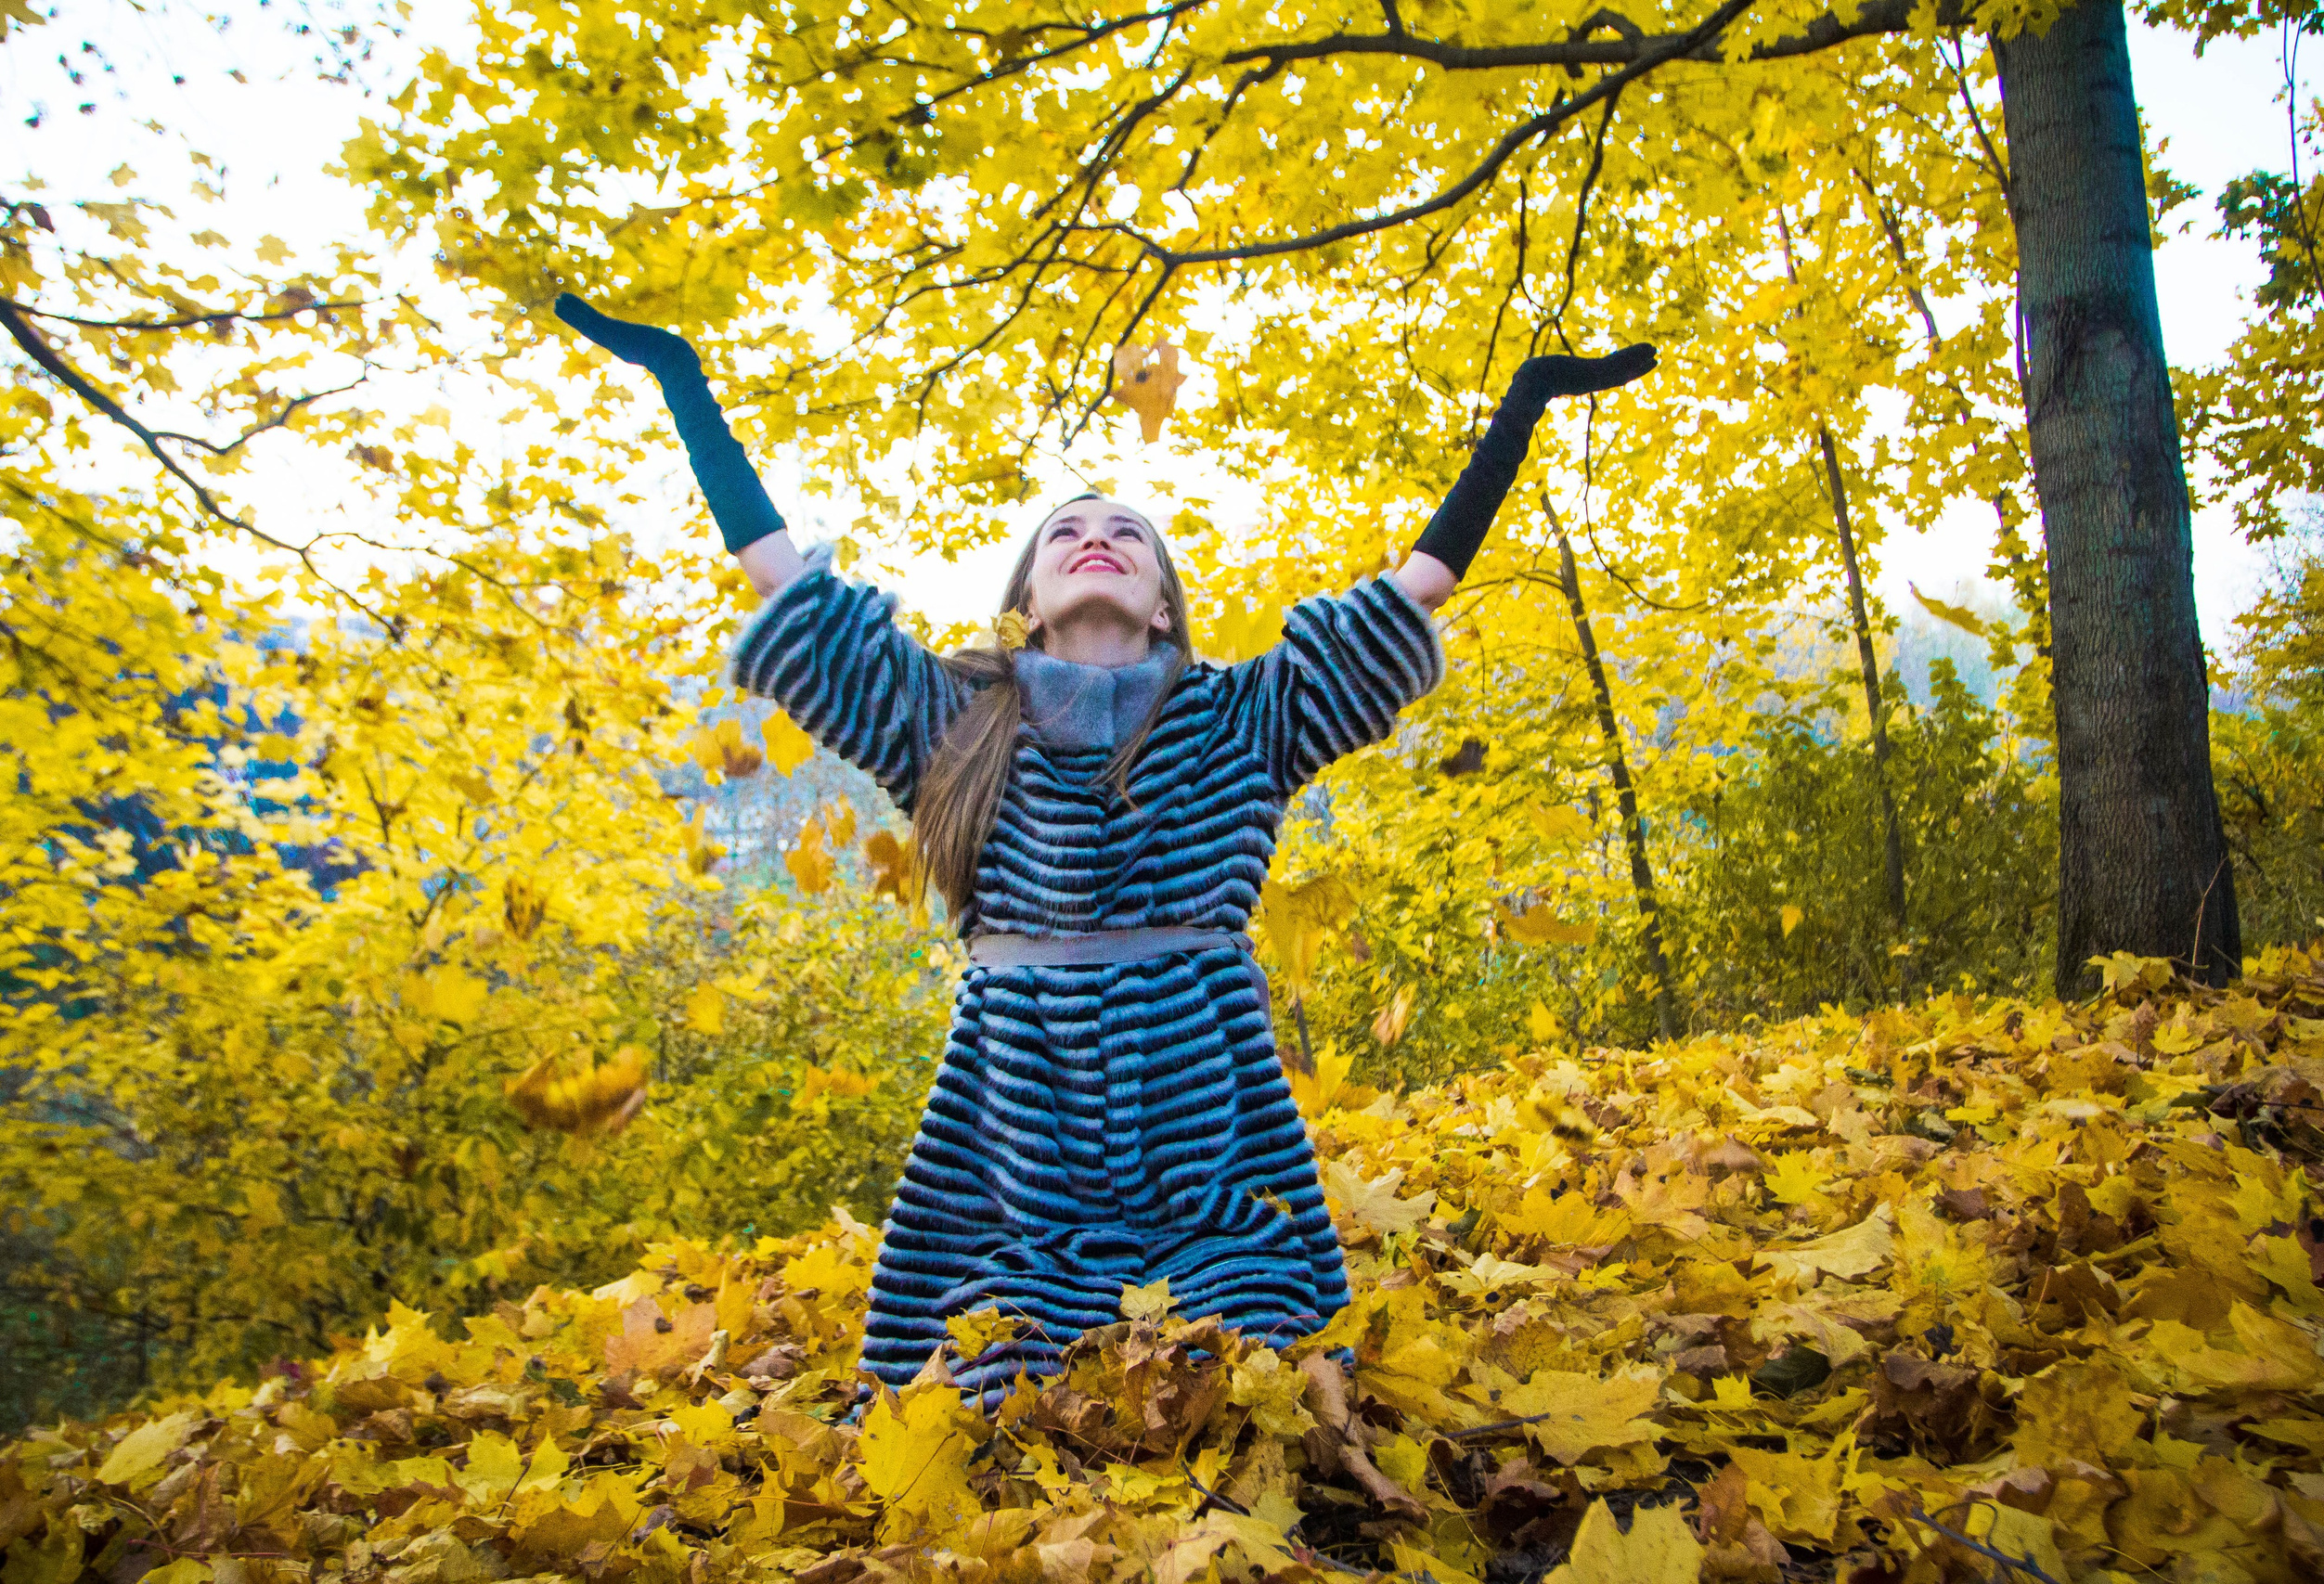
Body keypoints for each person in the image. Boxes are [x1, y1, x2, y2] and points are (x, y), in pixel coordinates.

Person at [556, 294, 1655, 1405]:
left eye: (1129, 534)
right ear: (1027, 604)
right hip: (1016, 1113)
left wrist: (1519, 411)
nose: (1097, 537)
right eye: (1066, 535)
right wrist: (685, 380)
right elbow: (789, 583)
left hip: (1206, 1104)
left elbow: (1413, 589)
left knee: (1239, 1360)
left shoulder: (1246, 715)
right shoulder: (948, 717)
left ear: (1166, 608)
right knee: (982, 1373)